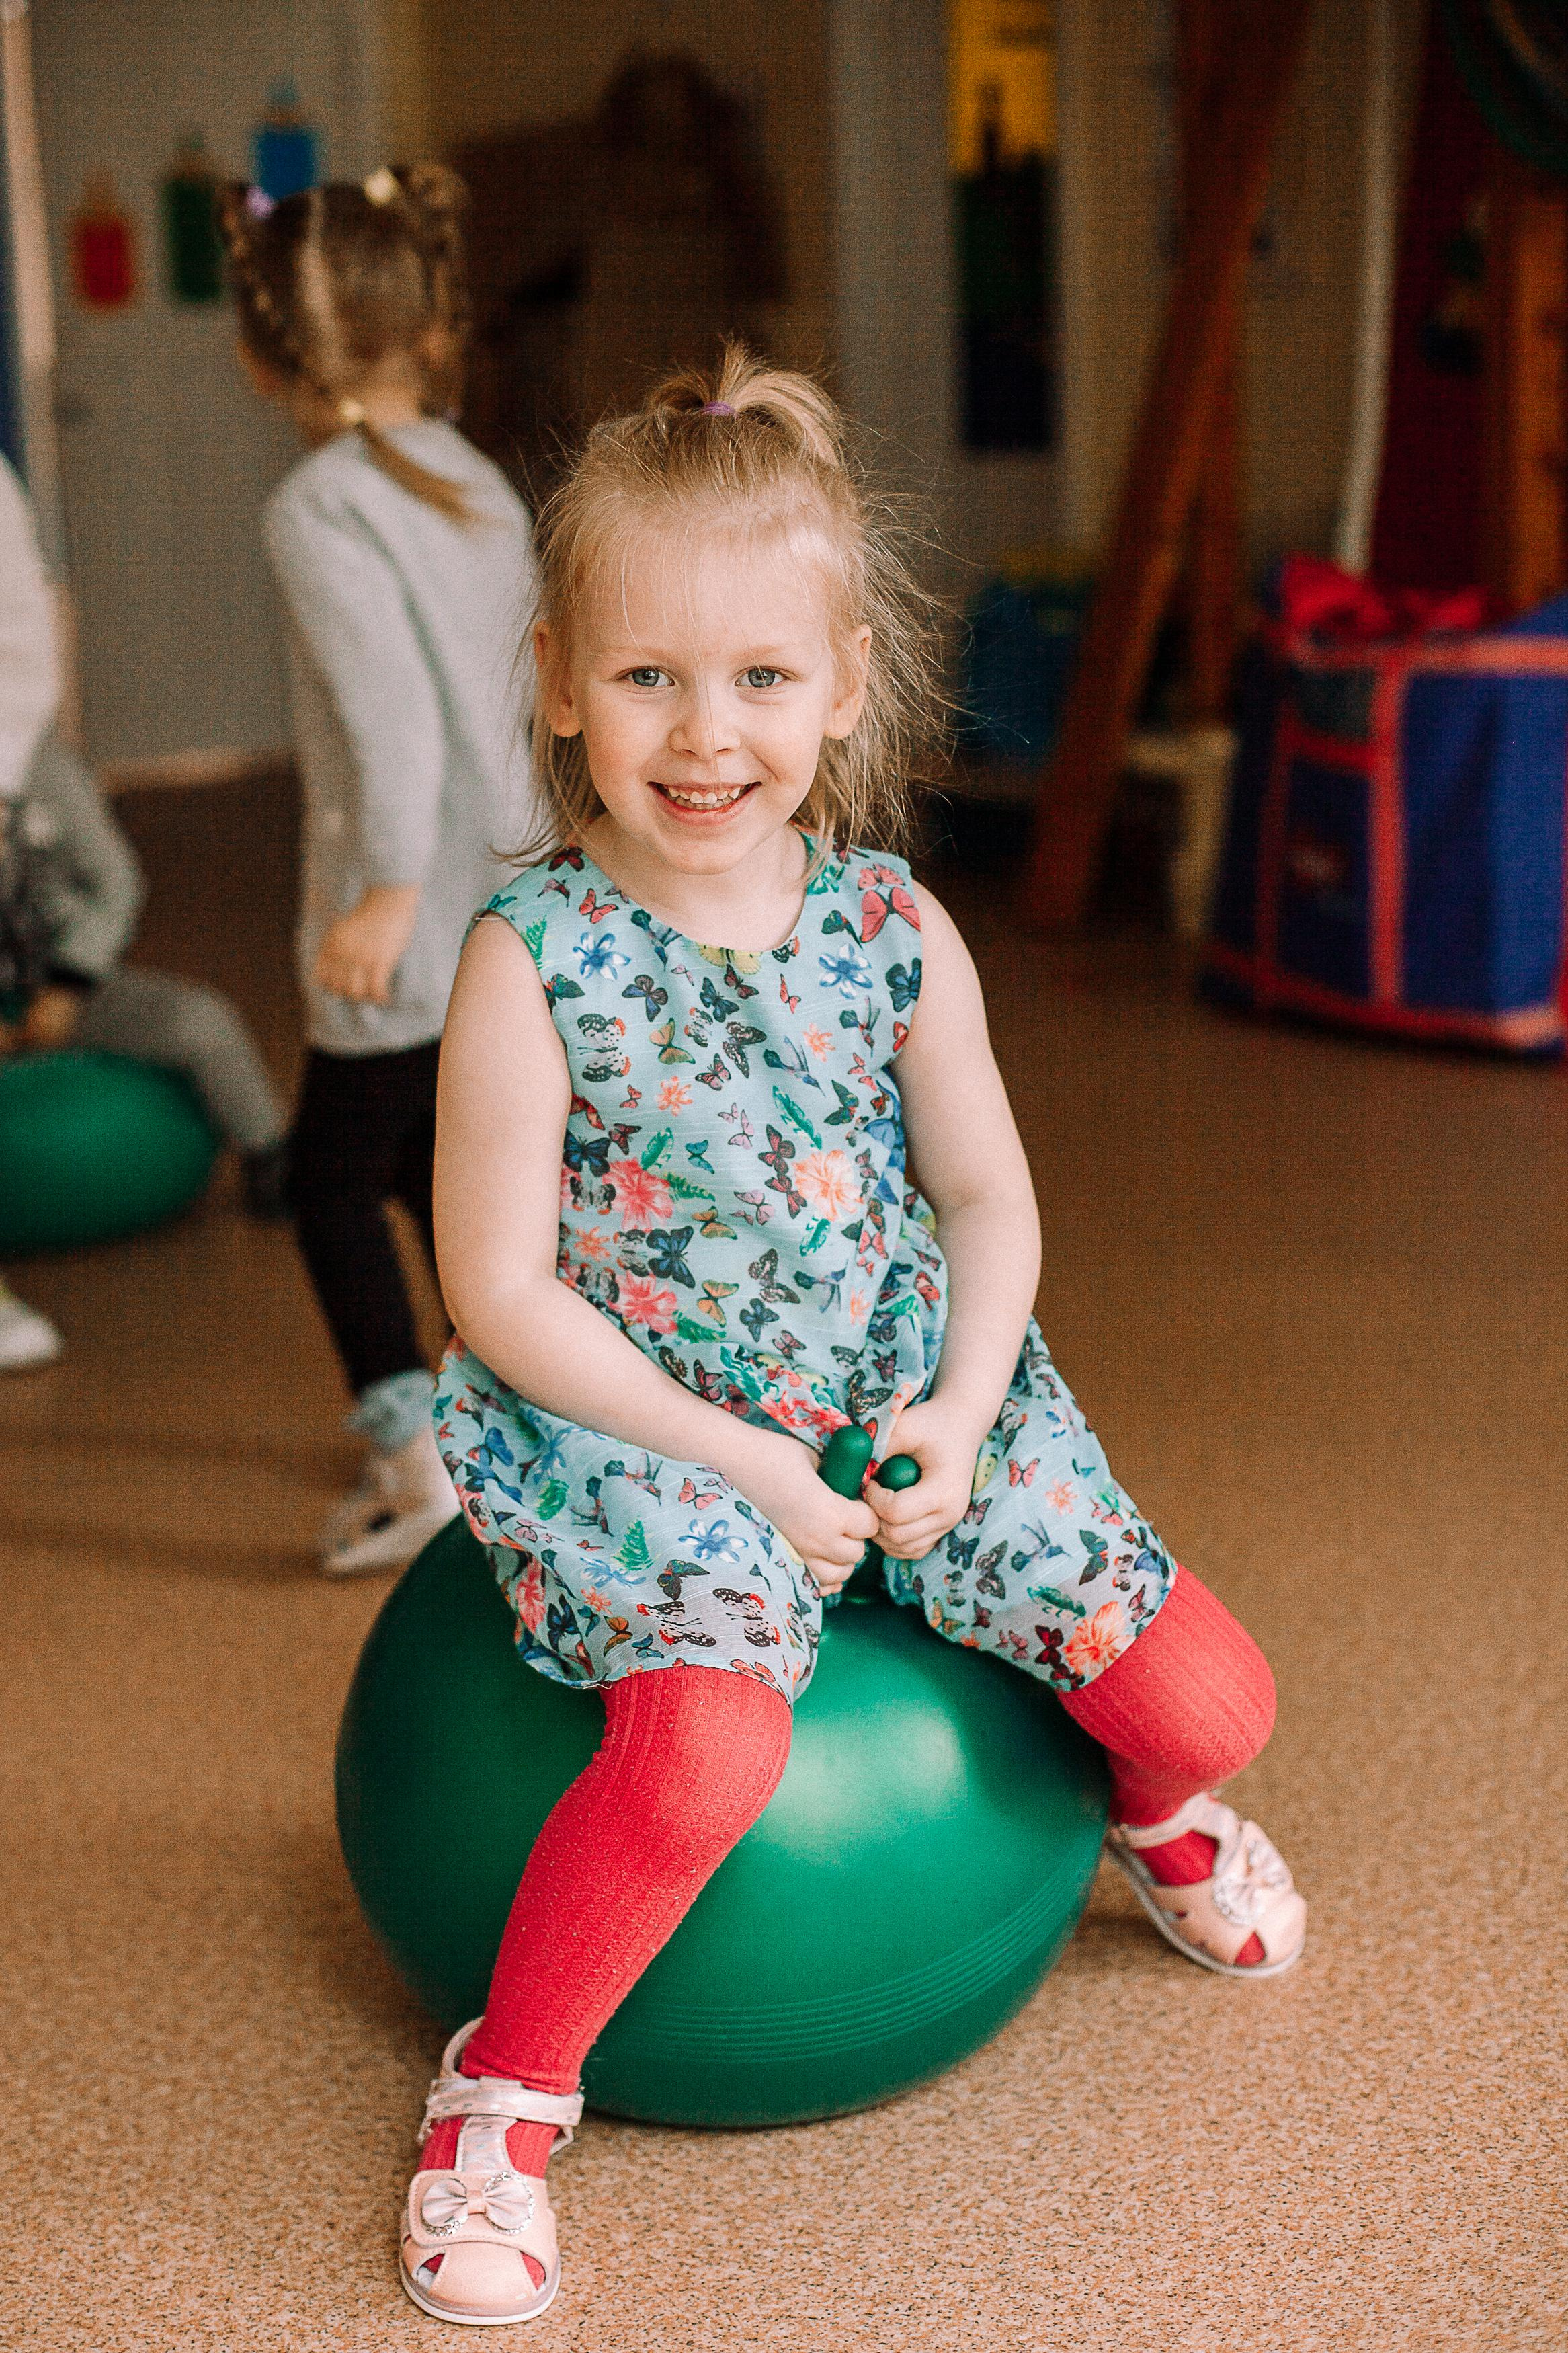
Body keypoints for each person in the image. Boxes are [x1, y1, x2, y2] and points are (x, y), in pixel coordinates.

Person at [403, 350, 1306, 2328]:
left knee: (1214, 1705)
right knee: (710, 1748)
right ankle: (504, 2092)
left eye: (759, 677)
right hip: (645, 1424)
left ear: (843, 684)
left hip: (904, 1390)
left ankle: (1147, 1814)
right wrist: (744, 1465)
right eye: (646, 676)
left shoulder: (895, 928)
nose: (703, 733)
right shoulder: (529, 957)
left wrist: (965, 1413)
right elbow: (498, 1295)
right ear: (559, 683)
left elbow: (987, 1201)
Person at [220, 163, 538, 1577]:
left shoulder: (321, 505)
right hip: (508, 899)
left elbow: (392, 717)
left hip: (420, 909)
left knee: (330, 1178)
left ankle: (417, 1461)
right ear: (427, 328)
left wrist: (389, 891)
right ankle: (501, 1412)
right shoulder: (473, 475)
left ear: (264, 353)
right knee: (431, 1162)